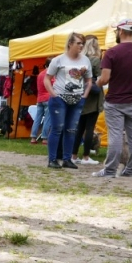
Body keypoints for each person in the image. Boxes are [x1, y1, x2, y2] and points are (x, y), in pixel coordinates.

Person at [92, 19, 132, 178]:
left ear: (122, 31)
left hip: (115, 101)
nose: (116, 33)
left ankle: (110, 170)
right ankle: (131, 170)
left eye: (116, 31)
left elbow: (104, 79)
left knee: (116, 136)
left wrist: (96, 82)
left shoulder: (111, 53)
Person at [44, 32, 93, 169]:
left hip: (77, 99)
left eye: (82, 43)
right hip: (60, 97)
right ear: (70, 44)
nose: (81, 46)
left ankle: (67, 159)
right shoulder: (58, 60)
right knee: (57, 128)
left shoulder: (85, 60)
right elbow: (47, 79)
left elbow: (89, 80)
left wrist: (85, 95)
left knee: (71, 129)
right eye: (78, 43)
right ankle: (52, 159)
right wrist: (53, 94)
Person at [75, 35, 103, 165]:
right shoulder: (95, 60)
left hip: (80, 96)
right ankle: (86, 156)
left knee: (79, 128)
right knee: (89, 128)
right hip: (92, 98)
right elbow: (101, 79)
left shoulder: (78, 59)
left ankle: (74, 155)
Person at [30, 60, 53, 143]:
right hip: (48, 98)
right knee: (47, 119)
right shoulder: (51, 74)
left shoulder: (40, 74)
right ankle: (44, 138)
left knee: (37, 119)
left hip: (39, 99)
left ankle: (33, 138)